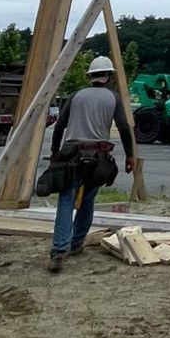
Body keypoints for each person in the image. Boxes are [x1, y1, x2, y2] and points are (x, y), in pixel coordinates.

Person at [47, 57, 134, 274]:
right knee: (87, 199)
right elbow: (123, 127)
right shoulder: (113, 98)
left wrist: (54, 151)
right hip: (98, 156)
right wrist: (130, 156)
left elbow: (60, 126)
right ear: (109, 76)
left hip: (71, 153)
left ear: (91, 76)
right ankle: (76, 243)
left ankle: (59, 250)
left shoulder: (76, 95)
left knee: (66, 199)